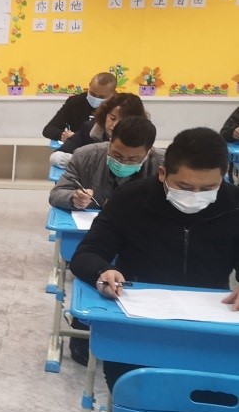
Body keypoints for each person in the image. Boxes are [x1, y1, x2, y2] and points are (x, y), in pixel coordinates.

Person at [70, 127, 239, 390]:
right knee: (139, 394)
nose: (195, 196)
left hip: (211, 327)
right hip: (139, 326)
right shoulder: (131, 199)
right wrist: (103, 271)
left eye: (208, 188)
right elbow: (86, 254)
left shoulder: (234, 204)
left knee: (215, 398)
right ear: (162, 173)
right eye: (184, 187)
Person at [50, 116, 161, 366]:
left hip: (139, 239)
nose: (123, 163)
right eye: (117, 155)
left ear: (148, 152)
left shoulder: (161, 166)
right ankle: (83, 329)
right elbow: (57, 193)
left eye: (132, 159)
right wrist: (74, 198)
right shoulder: (86, 156)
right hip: (94, 235)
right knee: (93, 268)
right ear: (110, 141)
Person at [49, 93, 146, 169]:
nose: (115, 125)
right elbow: (56, 157)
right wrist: (90, 164)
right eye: (112, 118)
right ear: (105, 115)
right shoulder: (90, 128)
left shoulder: (141, 138)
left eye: (123, 121)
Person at [41, 72, 117, 142]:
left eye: (101, 97)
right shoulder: (75, 102)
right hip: (77, 147)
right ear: (89, 86)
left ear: (112, 94)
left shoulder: (120, 106)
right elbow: (49, 129)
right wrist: (63, 135)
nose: (95, 98)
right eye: (92, 94)